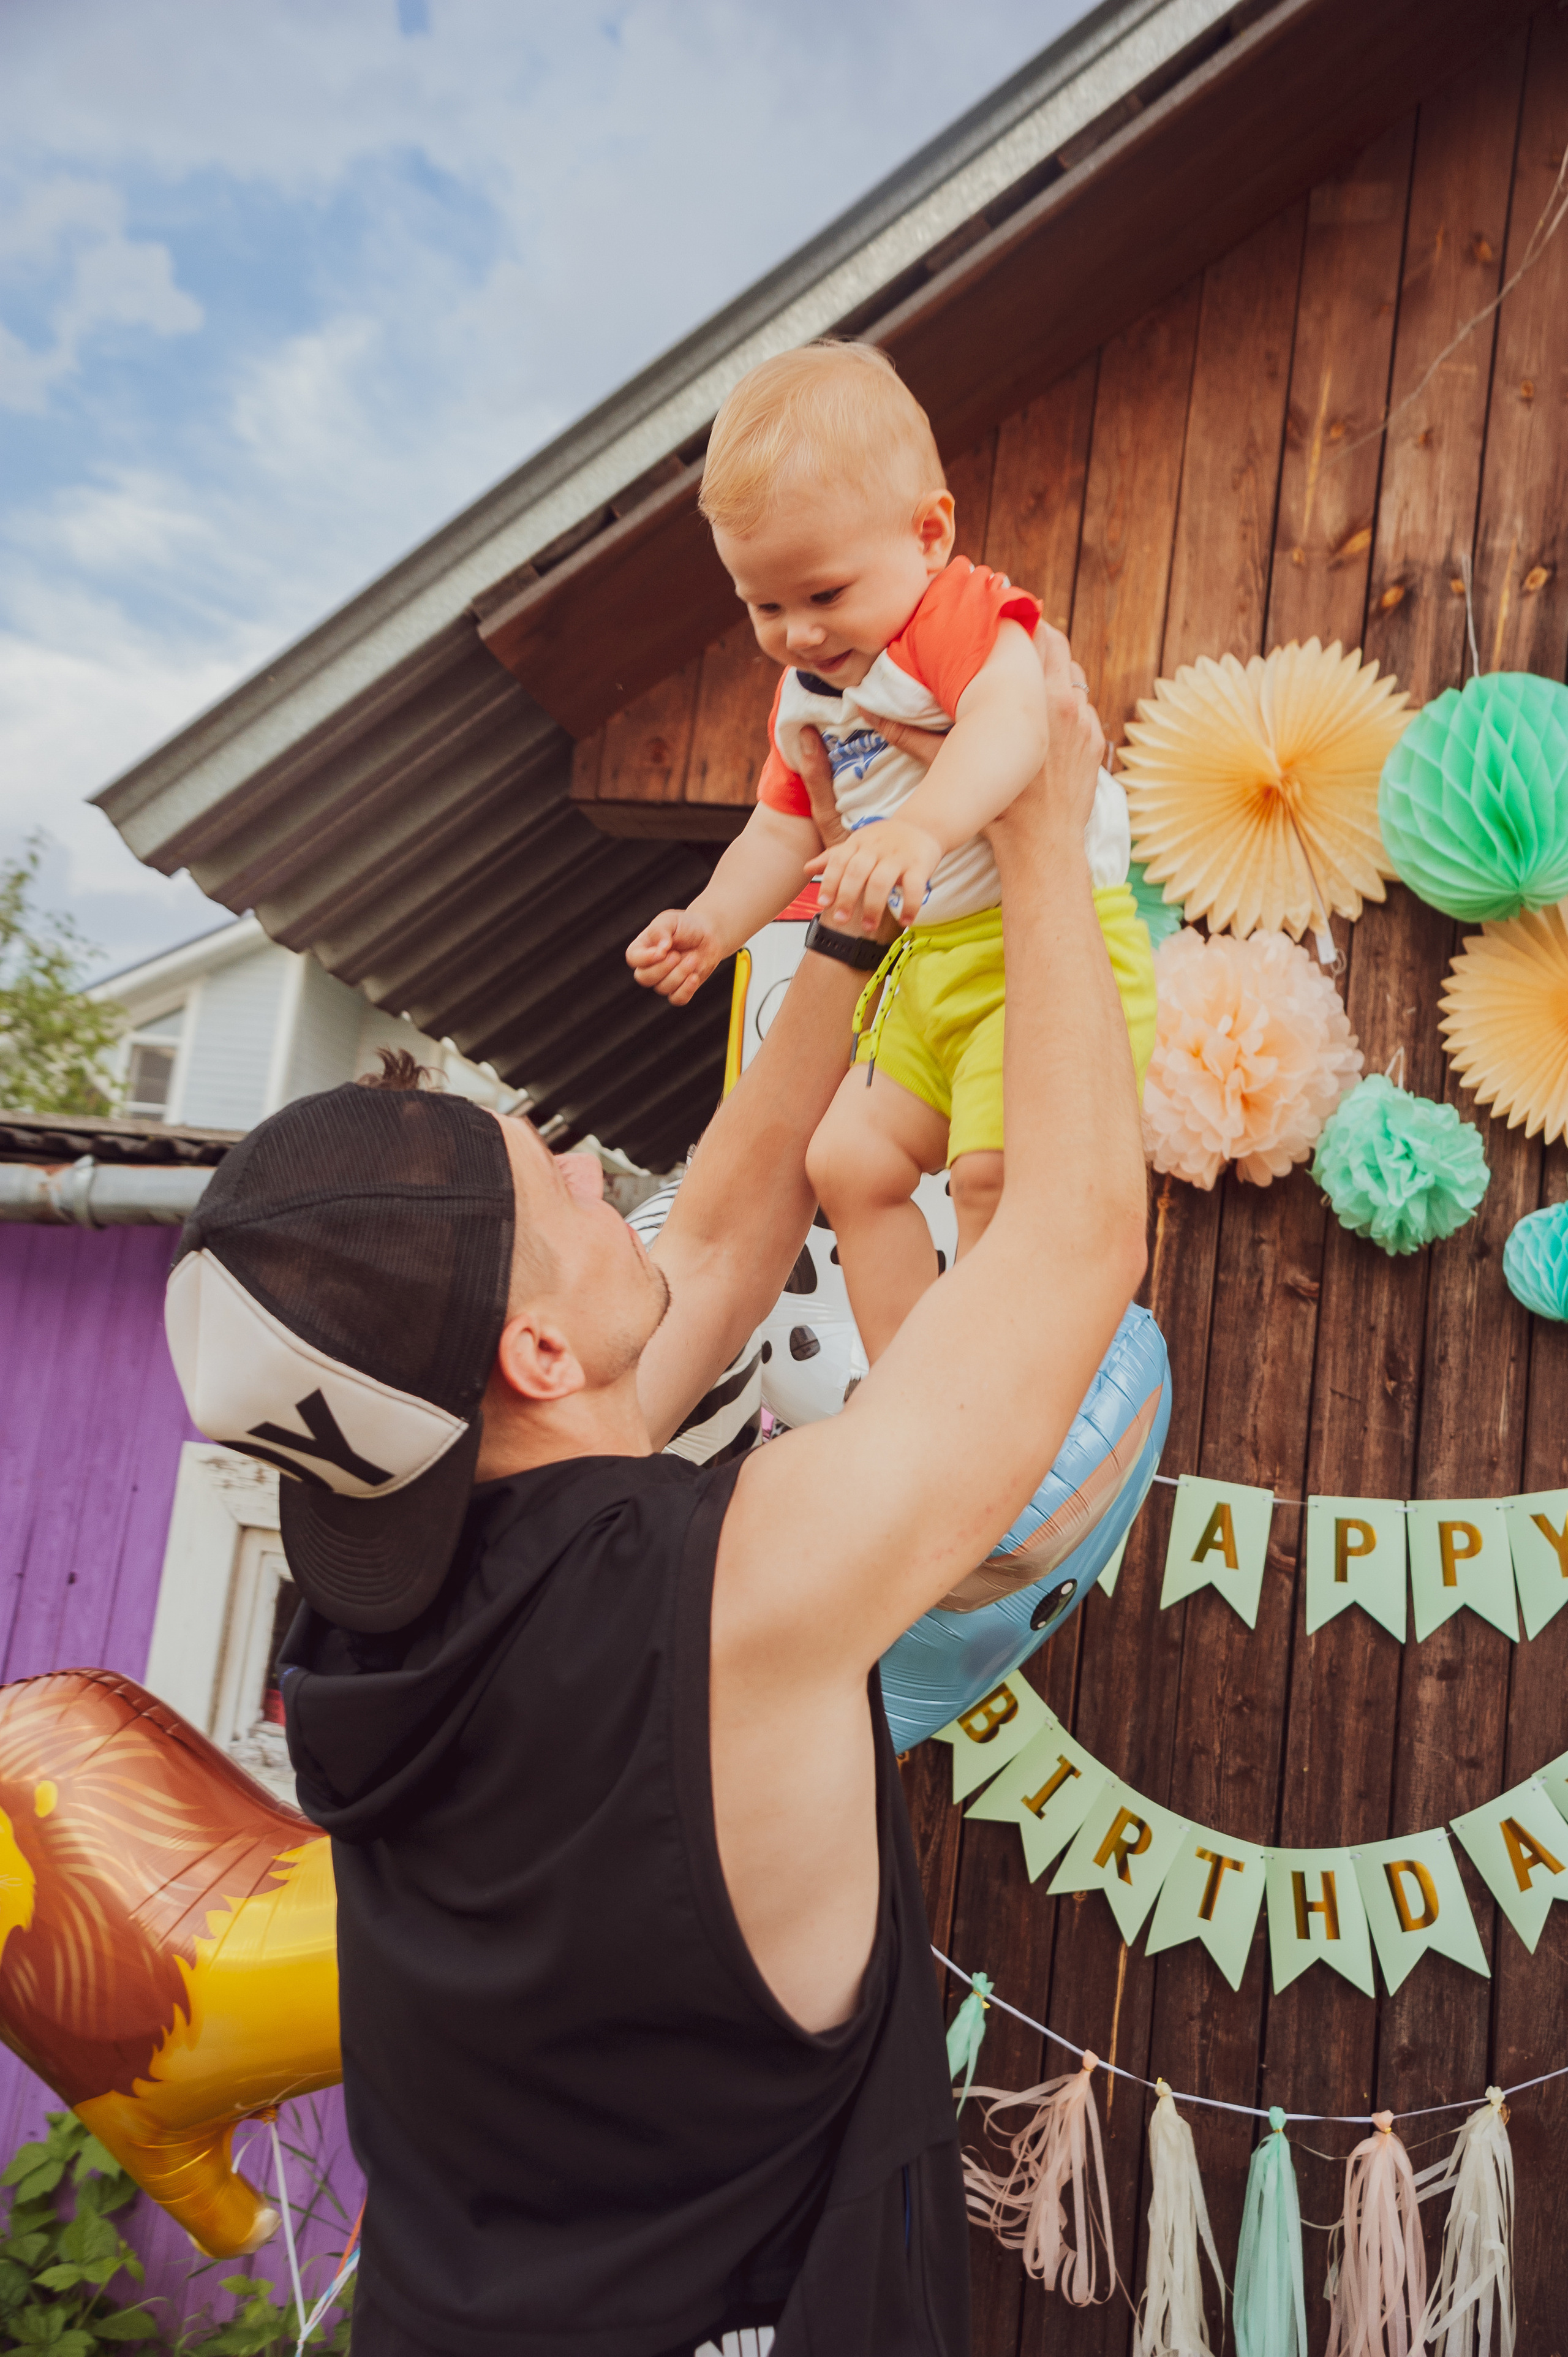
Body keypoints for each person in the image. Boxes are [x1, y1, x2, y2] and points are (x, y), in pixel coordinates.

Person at [161, 629, 1148, 2357]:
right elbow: (1071, 1251)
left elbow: (720, 1228)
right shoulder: (732, 1596)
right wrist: (1048, 843)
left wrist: (850, 919)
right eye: (557, 1191)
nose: (587, 1162)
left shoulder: (364, 1619)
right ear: (539, 1356)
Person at [625, 341, 1155, 1360]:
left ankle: (1003, 1389)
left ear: (928, 532)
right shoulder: (809, 696)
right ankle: (912, 1389)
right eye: (762, 606)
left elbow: (1014, 722)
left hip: (1042, 954)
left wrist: (922, 825)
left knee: (994, 1176)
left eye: (822, 595)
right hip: (928, 970)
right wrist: (713, 924)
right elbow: (780, 829)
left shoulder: (953, 615)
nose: (796, 634)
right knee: (848, 1163)